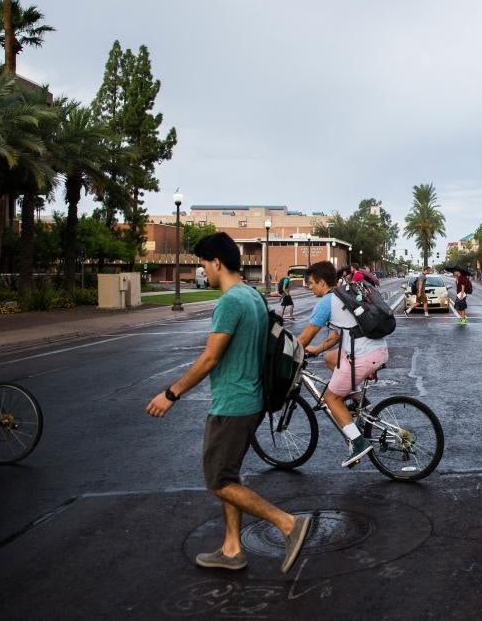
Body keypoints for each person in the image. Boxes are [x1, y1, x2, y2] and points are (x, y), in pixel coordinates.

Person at [145, 232, 312, 574]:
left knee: (219, 482)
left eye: (204, 264)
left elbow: (209, 359)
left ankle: (287, 524)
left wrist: (170, 394)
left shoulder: (230, 302)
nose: (203, 271)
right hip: (251, 400)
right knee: (229, 476)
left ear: (216, 262)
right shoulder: (252, 297)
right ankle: (232, 548)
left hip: (232, 404)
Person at [298, 260, 387, 467]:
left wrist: (285, 351)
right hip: (376, 350)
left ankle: (358, 443)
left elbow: (304, 337)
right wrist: (318, 350)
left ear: (321, 282)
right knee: (330, 358)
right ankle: (358, 400)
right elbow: (336, 336)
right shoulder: (342, 296)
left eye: (311, 283)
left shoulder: (326, 301)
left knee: (331, 398)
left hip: (363, 355)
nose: (309, 287)